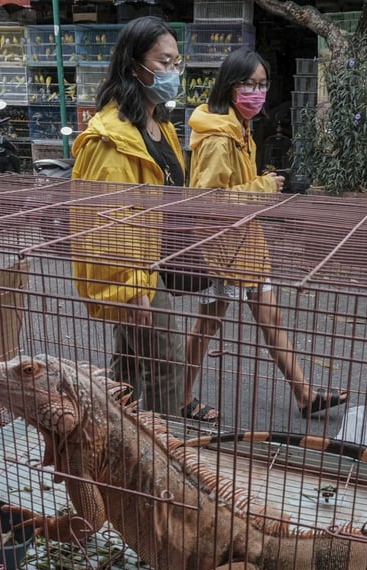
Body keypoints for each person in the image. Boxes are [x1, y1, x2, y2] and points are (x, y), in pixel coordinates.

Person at [185, 48, 349, 419]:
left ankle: (305, 395)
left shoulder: (239, 128)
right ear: (230, 86)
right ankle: (179, 397)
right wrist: (262, 188)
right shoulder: (218, 138)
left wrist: (259, 187)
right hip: (221, 246)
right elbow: (208, 201)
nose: (256, 92)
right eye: (248, 84)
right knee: (207, 324)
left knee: (268, 318)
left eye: (262, 84)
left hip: (246, 244)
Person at [69, 16, 208, 420]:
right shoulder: (111, 136)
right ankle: (163, 456)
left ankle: (114, 439)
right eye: (163, 62)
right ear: (135, 66)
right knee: (168, 363)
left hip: (157, 257)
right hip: (135, 270)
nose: (172, 72)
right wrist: (132, 287)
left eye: (176, 63)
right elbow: (107, 221)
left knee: (128, 365)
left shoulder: (158, 122)